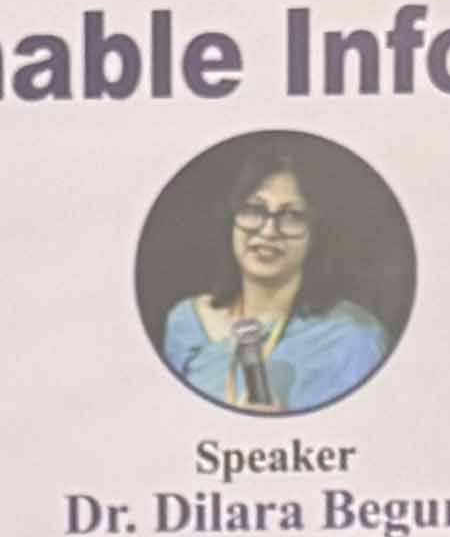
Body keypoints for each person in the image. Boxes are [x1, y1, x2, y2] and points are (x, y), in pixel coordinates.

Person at [156, 143, 395, 414]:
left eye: (292, 216)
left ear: (316, 232)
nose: (269, 231)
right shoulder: (185, 322)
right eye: (253, 210)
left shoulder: (354, 337)